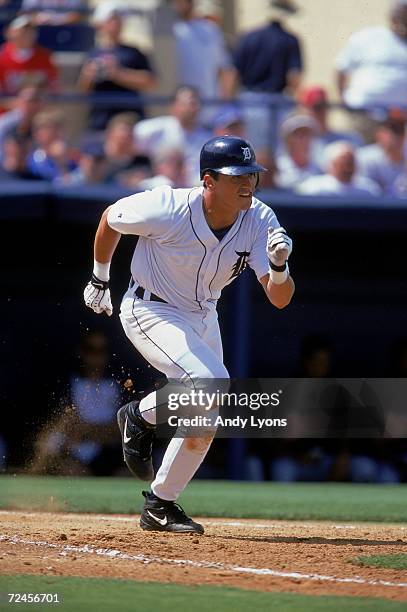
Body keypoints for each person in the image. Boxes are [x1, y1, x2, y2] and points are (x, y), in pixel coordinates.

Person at [83, 135, 295, 533]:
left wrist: (280, 267)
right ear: (209, 181)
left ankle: (160, 505)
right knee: (213, 382)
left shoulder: (261, 218)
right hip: (150, 307)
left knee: (206, 413)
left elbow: (279, 299)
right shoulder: (168, 205)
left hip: (201, 314)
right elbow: (111, 219)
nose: (248, 182)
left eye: (252, 174)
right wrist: (100, 275)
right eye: (237, 176)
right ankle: (141, 417)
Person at [233, 0, 303, 150]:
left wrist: (229, 102)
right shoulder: (289, 40)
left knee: (250, 150)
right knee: (276, 153)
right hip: (277, 102)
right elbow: (294, 77)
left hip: (249, 100)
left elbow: (233, 73)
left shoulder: (248, 36)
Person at [77, 3, 156, 131]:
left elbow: (150, 81)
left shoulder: (134, 52)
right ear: (100, 24)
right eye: (111, 19)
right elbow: (83, 91)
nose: (115, 23)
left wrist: (118, 74)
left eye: (118, 19)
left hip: (131, 119)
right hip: (100, 120)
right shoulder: (91, 54)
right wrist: (88, 76)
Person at [335, 0, 407, 111]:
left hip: (401, 116)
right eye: (400, 15)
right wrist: (343, 101)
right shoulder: (368, 37)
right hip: (364, 112)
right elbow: (341, 69)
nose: (403, 20)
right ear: (392, 16)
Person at [134, 85, 212, 185]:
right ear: (174, 105)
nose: (193, 107)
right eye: (189, 103)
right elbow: (125, 150)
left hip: (195, 191)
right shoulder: (153, 129)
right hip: (161, 190)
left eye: (196, 103)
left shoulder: (207, 139)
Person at [170, 0, 236, 110]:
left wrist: (225, 104)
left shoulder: (211, 30)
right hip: (179, 108)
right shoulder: (172, 31)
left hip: (209, 107)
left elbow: (225, 70)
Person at [0, 15, 59, 95]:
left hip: (36, 105)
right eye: (22, 31)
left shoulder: (44, 55)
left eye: (30, 31)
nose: (27, 34)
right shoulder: (2, 55)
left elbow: (54, 85)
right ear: (10, 33)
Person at [297, 141, 381, 197]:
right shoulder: (312, 187)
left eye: (351, 160)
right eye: (343, 160)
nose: (347, 165)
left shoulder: (368, 189)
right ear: (331, 164)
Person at [355, 114, 406, 195]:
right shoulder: (365, 157)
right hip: (373, 205)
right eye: (392, 131)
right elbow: (362, 189)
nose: (396, 137)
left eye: (400, 131)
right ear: (379, 135)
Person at [276, 114, 321, 190]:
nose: (305, 140)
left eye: (308, 135)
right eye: (300, 136)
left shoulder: (320, 170)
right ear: (288, 140)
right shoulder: (277, 168)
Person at [19, 0, 87, 25]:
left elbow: (78, 15)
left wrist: (56, 20)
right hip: (39, 30)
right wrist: (39, 18)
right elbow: (25, 12)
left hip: (66, 31)